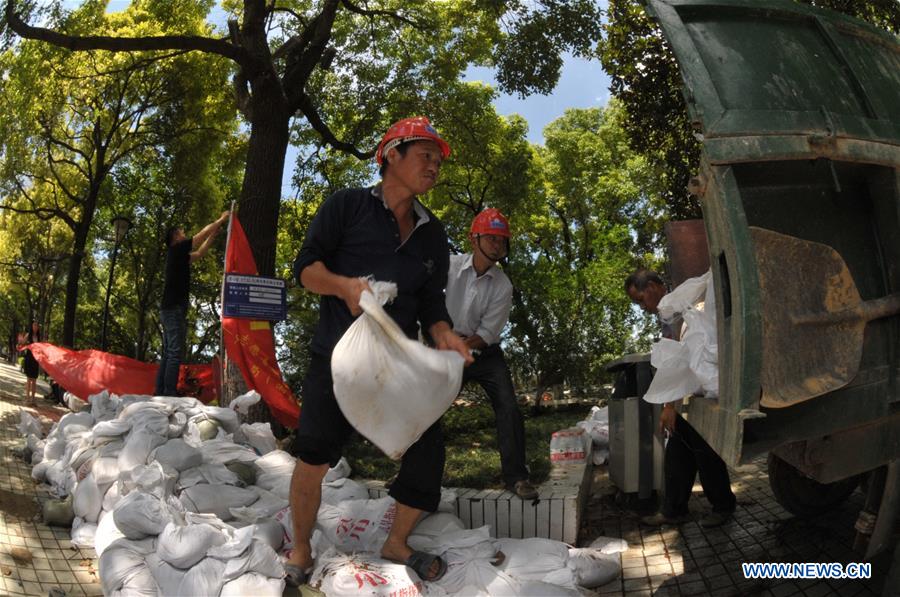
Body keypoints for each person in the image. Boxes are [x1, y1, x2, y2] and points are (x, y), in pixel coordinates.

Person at [287, 116, 472, 586]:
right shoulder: (347, 206)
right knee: (313, 455)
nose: (434, 167)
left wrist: (446, 335)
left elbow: (432, 303)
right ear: (392, 154)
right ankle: (302, 547)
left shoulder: (433, 234)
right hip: (337, 359)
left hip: (395, 367)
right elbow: (305, 269)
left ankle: (397, 541)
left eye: (438, 160)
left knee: (427, 449)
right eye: (425, 156)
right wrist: (344, 286)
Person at [625, 268, 736, 528]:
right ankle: (675, 510)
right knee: (678, 450)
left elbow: (679, 363)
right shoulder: (673, 310)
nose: (642, 306)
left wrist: (669, 406)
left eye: (640, 299)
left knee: (703, 449)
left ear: (653, 286)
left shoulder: (676, 310)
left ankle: (722, 506)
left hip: (702, 391)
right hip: (695, 391)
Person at [445, 208, 537, 500]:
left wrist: (460, 346)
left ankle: (517, 478)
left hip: (484, 353)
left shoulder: (503, 285)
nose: (498, 245)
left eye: (502, 240)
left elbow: (486, 334)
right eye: (492, 238)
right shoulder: (448, 267)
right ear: (474, 239)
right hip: (444, 347)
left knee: (508, 408)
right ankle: (414, 471)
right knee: (427, 408)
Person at [154, 210, 230, 396]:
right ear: (174, 238)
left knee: (168, 352)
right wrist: (221, 219)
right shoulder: (176, 249)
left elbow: (200, 252)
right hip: (173, 309)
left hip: (171, 308)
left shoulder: (179, 256)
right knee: (174, 352)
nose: (184, 234)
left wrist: (213, 235)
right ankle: (169, 393)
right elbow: (199, 237)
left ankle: (161, 391)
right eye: (181, 232)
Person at [18, 321, 41, 406]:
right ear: (32, 326)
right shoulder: (28, 335)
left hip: (35, 359)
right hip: (29, 358)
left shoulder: (39, 337)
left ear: (38, 327)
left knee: (34, 380)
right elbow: (22, 343)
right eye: (34, 325)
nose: (36, 326)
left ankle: (33, 399)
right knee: (29, 380)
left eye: (37, 325)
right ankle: (27, 399)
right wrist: (20, 341)